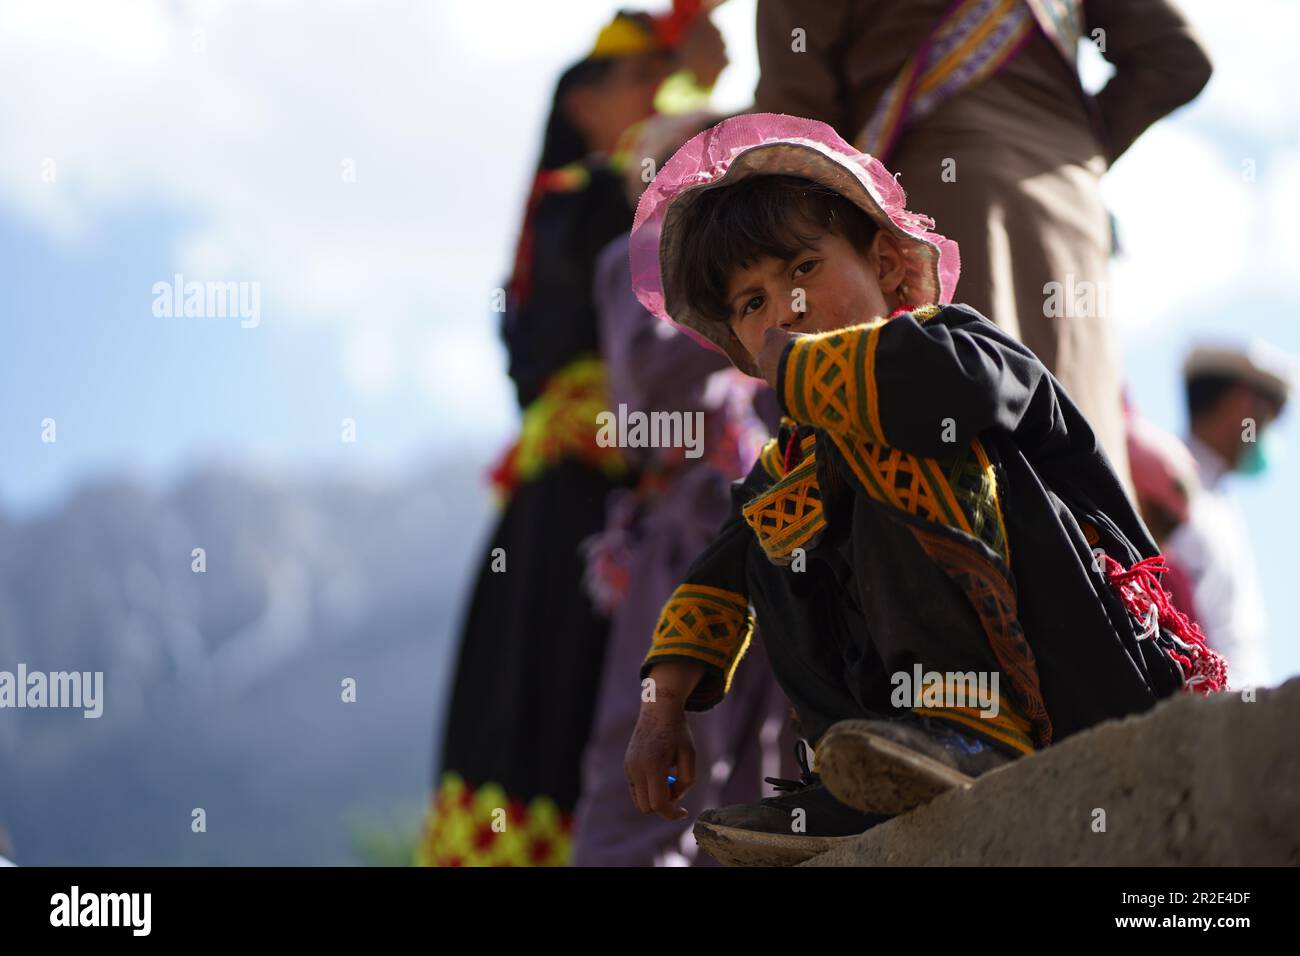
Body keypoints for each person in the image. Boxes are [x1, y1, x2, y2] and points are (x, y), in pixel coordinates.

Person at [621, 113, 1226, 864]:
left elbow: (935, 388)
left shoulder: (958, 345)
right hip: (897, 721)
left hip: (1077, 673)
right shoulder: (785, 465)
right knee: (764, 535)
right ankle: (861, 779)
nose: (784, 309)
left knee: (888, 422)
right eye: (751, 303)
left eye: (803, 268)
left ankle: (967, 721)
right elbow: (712, 584)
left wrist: (802, 368)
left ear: (884, 263)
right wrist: (663, 706)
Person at [418, 9, 711, 867]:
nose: (661, 91)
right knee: (556, 700)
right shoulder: (582, 206)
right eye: (640, 78)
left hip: (619, 486)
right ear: (581, 106)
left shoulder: (591, 204)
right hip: (581, 499)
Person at [752, 0, 1216, 495]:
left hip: (932, 202)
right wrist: (1070, 151)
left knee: (960, 473)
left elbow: (794, 130)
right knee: (1078, 448)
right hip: (1070, 212)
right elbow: (1178, 57)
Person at [569, 112, 798, 867]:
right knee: (653, 761)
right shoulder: (640, 255)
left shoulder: (770, 265)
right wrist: (735, 307)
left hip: (786, 528)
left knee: (770, 758)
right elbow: (651, 387)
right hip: (691, 541)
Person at [1165, 343, 1295, 691]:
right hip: (1204, 719)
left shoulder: (1219, 503)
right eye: (1270, 417)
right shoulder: (1169, 489)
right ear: (1243, 404)